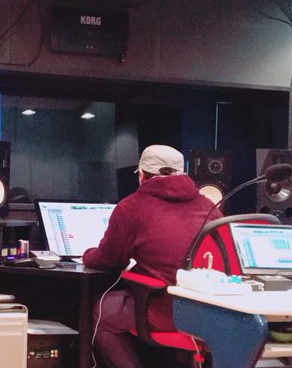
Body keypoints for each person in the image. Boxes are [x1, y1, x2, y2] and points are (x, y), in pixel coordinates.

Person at [83, 145, 222, 368]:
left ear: (142, 174)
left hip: (165, 311)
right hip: (209, 314)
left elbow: (108, 260)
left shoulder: (131, 207)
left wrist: (87, 254)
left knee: (103, 311)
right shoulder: (210, 207)